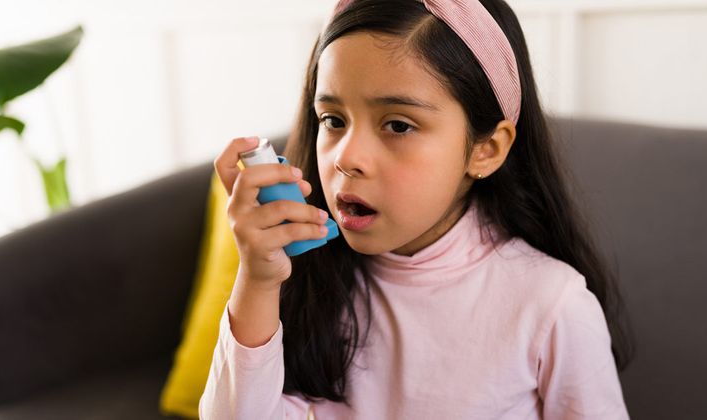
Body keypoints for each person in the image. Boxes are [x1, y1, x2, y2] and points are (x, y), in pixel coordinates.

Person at [200, 0, 634, 418]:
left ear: (486, 149)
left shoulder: (552, 305)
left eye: (398, 125)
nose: (346, 158)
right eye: (333, 120)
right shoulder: (314, 278)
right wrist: (257, 279)